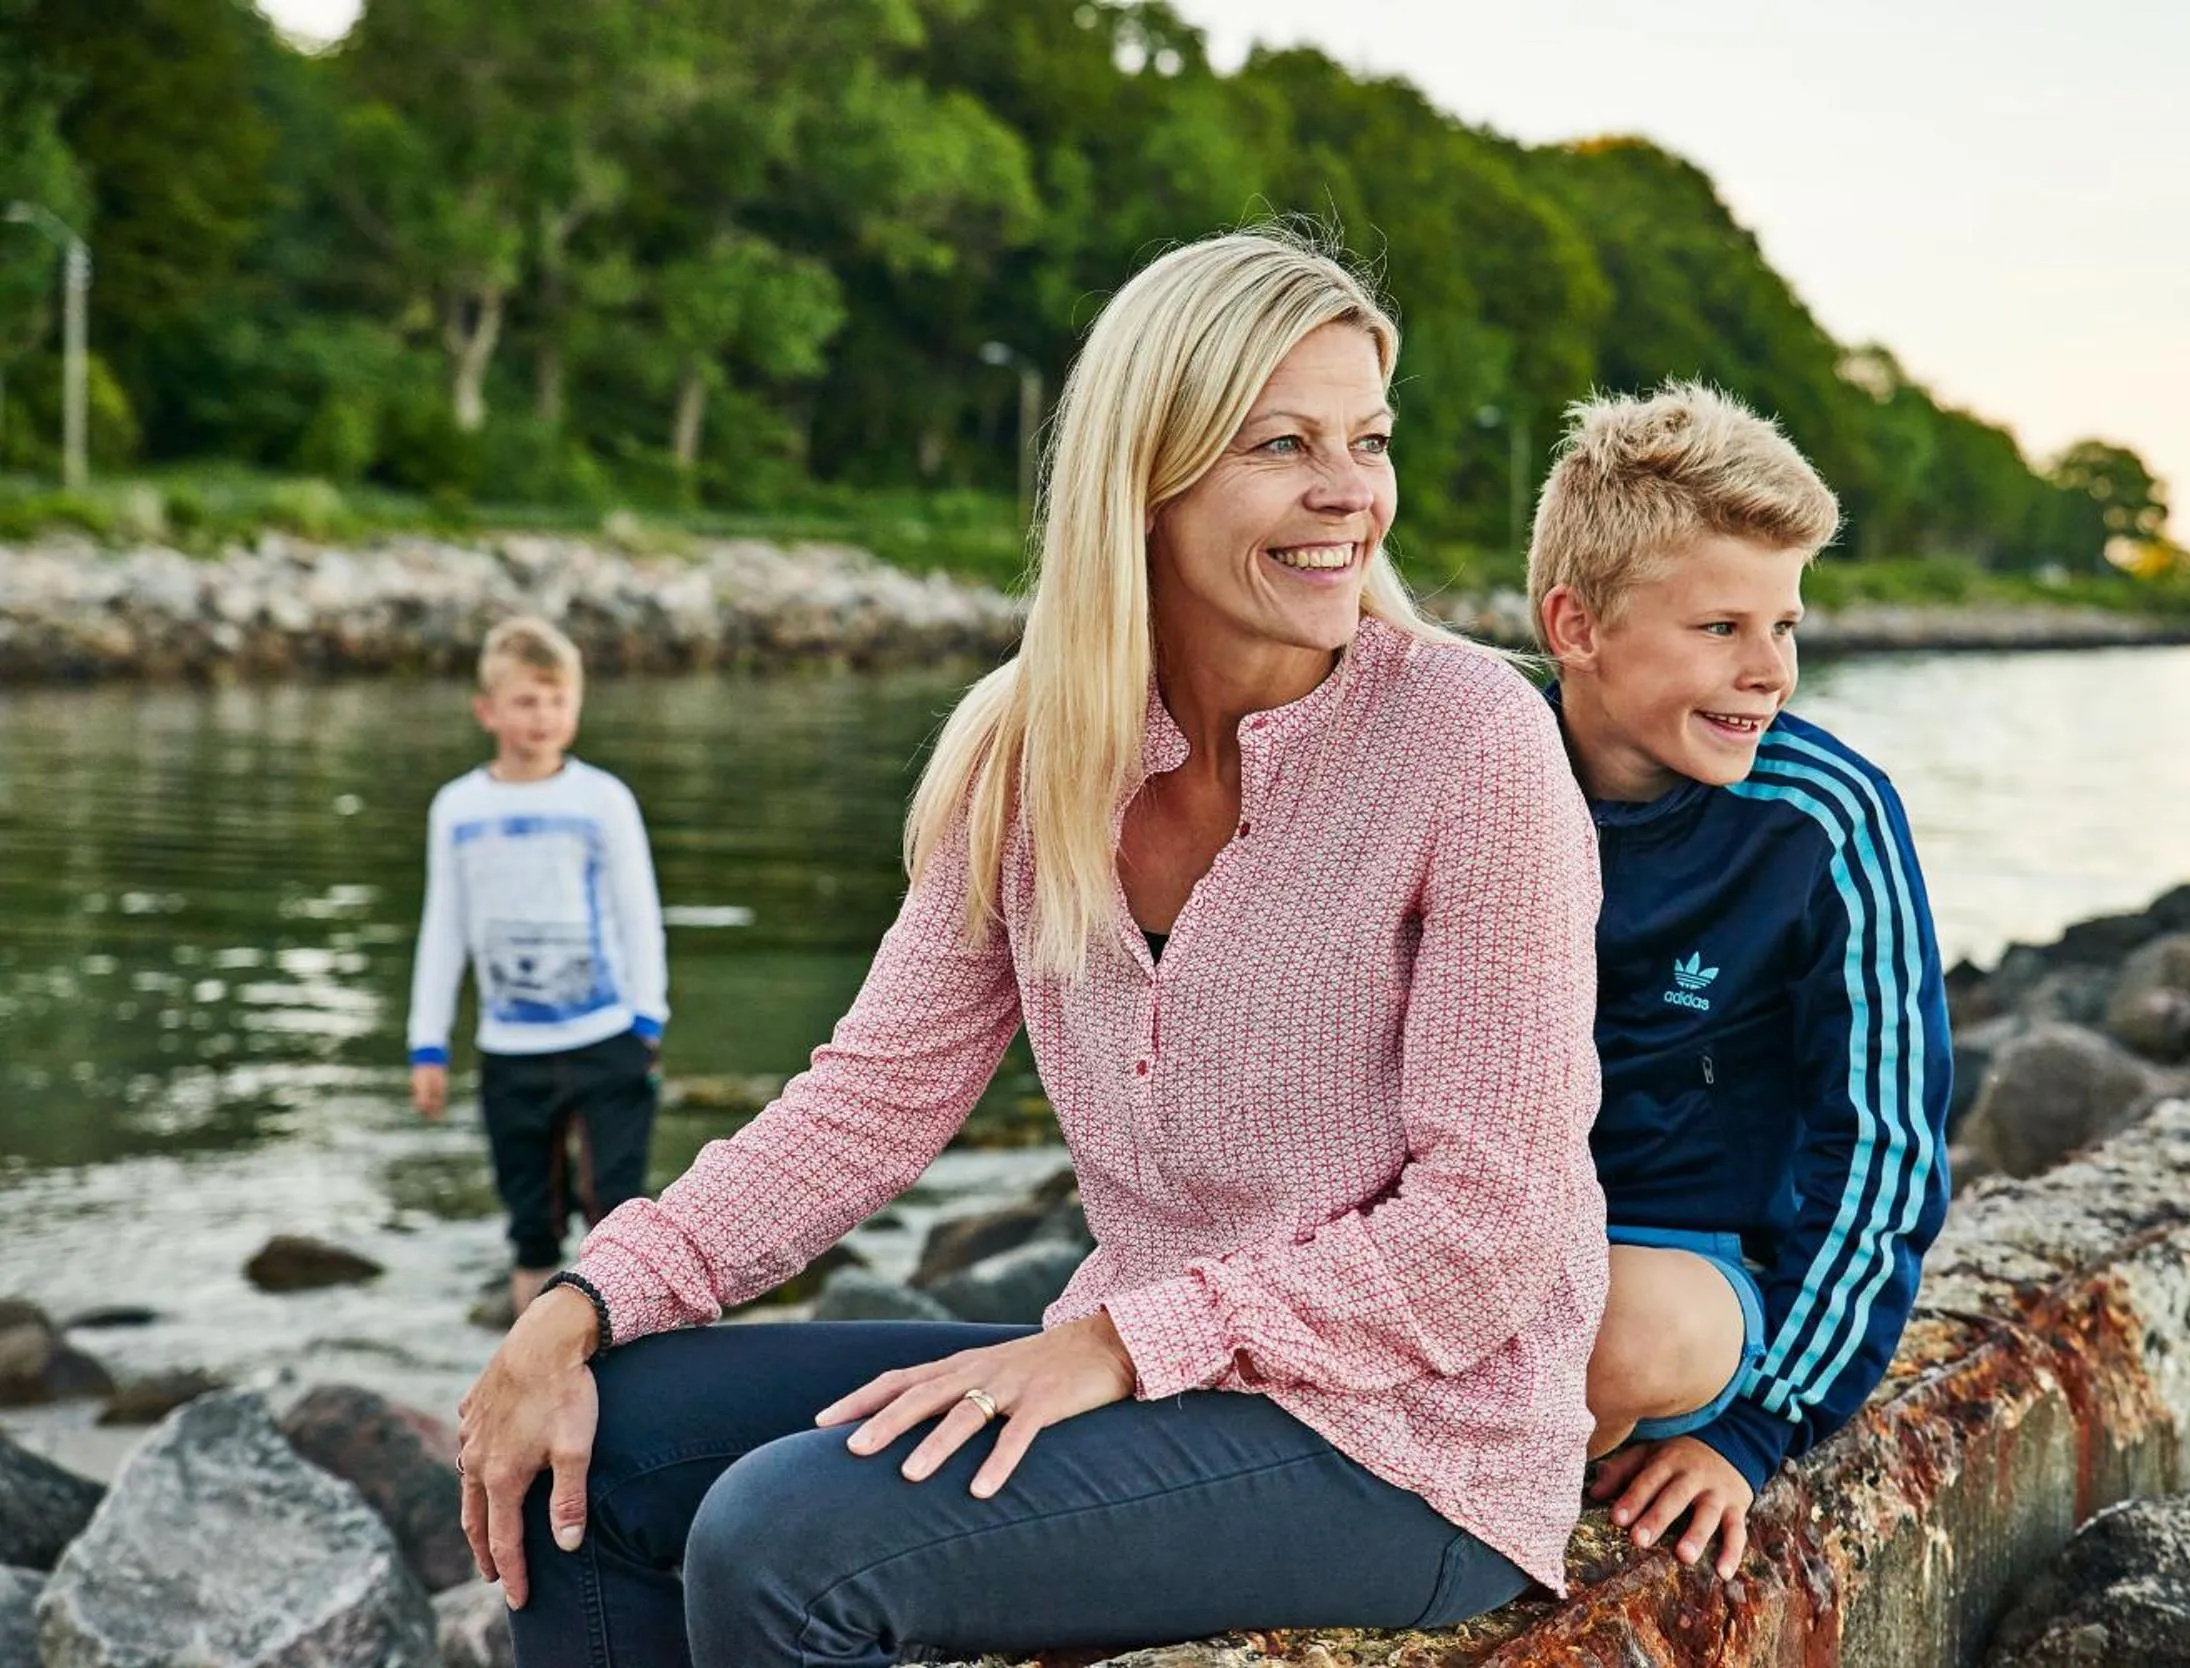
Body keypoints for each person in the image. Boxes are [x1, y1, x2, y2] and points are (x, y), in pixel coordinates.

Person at [453, 230, 1611, 1668]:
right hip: (1155, 1373)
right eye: (1284, 444)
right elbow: (866, 1100)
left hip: (1411, 1437)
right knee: (595, 1447)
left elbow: (1487, 1240)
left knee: (784, 1546)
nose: (1349, 494)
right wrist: (584, 1299)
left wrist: (1118, 1348)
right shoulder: (1036, 748)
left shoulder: (1471, 738)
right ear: (1147, 471)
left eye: (1369, 440)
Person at [1527, 383, 1952, 1579]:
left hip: (1689, 1266)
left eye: (1787, 625)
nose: (1768, 670)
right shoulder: (1479, 769)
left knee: (1611, 1330)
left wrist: (1759, 1429)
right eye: (1721, 628)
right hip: (1477, 1229)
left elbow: (1883, 1144)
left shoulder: (1822, 816)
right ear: (1577, 627)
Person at [408, 615, 670, 1326]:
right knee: (531, 1225)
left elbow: (637, 914)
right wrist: (426, 1043)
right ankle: (529, 1368)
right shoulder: (458, 808)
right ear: (487, 710)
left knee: (617, 1217)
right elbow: (444, 929)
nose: (544, 717)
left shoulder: (602, 799)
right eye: (526, 701)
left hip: (607, 1039)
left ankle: (623, 1366)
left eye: (558, 701)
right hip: (510, 1054)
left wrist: (648, 1019)